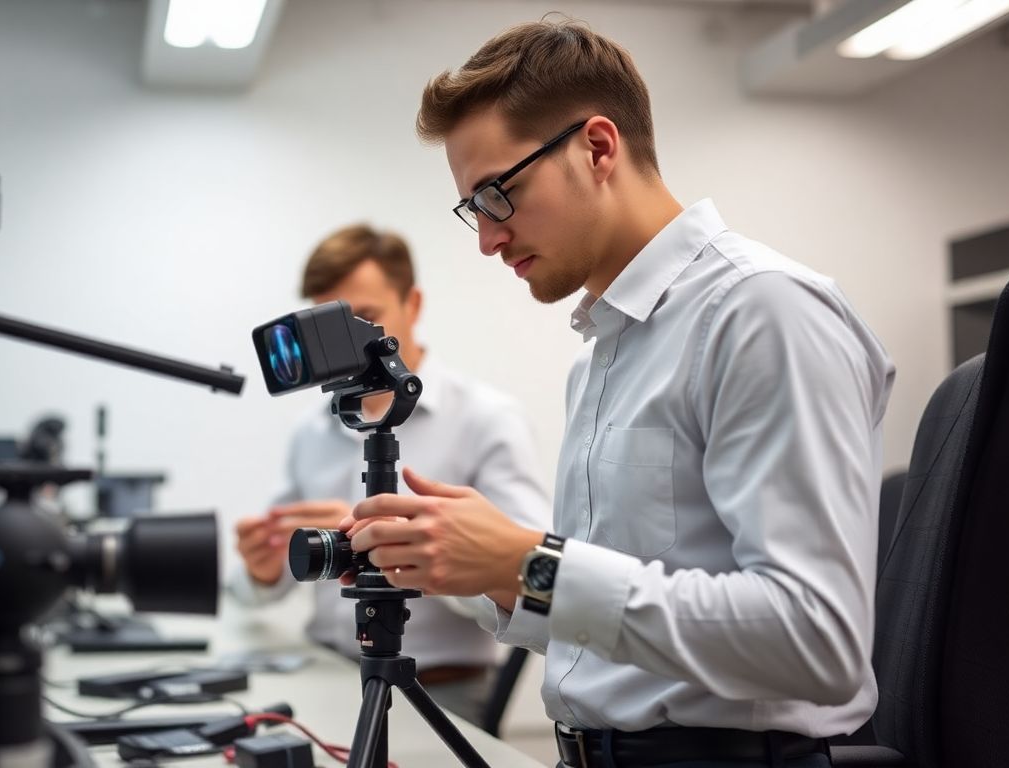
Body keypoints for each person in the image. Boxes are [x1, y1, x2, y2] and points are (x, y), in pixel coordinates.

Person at [342, 19, 895, 768]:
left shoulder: (761, 312)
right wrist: (464, 567)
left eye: (499, 193)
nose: (487, 239)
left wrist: (526, 561)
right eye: (474, 207)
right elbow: (615, 635)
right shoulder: (604, 356)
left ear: (598, 148)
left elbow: (814, 640)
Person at [229, 223, 550, 726]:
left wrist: (403, 544)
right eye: (325, 326)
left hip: (440, 689)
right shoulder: (312, 431)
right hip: (328, 673)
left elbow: (534, 581)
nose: (340, 344)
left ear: (413, 305)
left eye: (362, 318)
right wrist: (261, 568)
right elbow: (250, 591)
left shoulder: (485, 419)